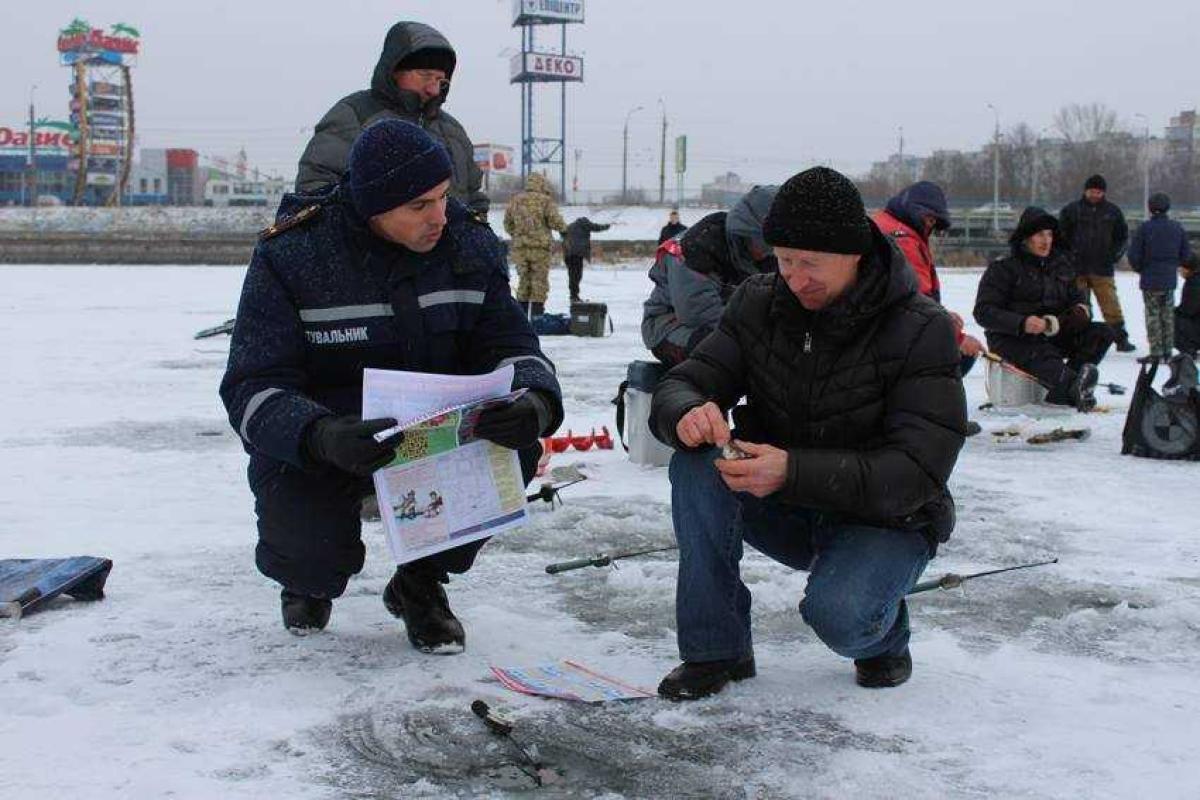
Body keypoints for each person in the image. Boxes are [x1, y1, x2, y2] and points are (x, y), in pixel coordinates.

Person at [220, 120, 563, 651]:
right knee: (310, 554)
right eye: (419, 206)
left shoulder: (468, 247)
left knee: (513, 449)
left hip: (433, 439)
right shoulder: (294, 256)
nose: (440, 217)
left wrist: (535, 403)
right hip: (329, 443)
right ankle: (305, 580)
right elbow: (252, 384)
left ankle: (420, 583)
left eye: (444, 198)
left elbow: (514, 346)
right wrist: (319, 434)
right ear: (374, 205)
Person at [649, 167, 966, 699]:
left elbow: (918, 469)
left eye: (811, 264)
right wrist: (687, 410)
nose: (795, 279)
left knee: (841, 617)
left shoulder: (922, 328)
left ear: (855, 253)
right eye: (785, 260)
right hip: (786, 504)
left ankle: (886, 635)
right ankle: (716, 650)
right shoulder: (758, 302)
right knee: (696, 465)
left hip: (886, 517)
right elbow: (687, 379)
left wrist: (791, 470)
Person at [295, 21, 488, 216]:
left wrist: (475, 237)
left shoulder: (453, 132)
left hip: (447, 246)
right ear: (395, 70)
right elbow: (314, 188)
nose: (434, 89)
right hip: (368, 246)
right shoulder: (354, 115)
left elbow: (474, 199)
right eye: (425, 75)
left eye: (440, 80)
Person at [974, 207, 1114, 411]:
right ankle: (1071, 385)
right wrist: (1022, 323)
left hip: (1052, 334)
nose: (1046, 240)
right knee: (1045, 355)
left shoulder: (1063, 267)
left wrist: (1081, 312)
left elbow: (1082, 301)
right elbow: (983, 312)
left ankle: (1070, 385)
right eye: (1040, 234)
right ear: (1026, 238)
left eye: (1049, 234)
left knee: (1102, 333)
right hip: (1013, 339)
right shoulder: (1003, 269)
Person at [641, 186, 778, 366]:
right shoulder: (695, 250)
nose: (768, 253)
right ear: (746, 232)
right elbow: (698, 314)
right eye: (764, 244)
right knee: (724, 350)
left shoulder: (768, 257)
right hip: (671, 326)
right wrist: (758, 336)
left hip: (730, 325)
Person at [872, 181, 985, 376]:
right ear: (916, 211)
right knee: (955, 361)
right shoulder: (903, 240)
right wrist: (957, 338)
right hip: (891, 337)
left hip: (876, 329)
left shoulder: (883, 224)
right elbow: (916, 302)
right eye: (930, 220)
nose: (930, 227)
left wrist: (943, 315)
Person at [1059, 174, 1134, 351]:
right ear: (1085, 191)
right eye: (1092, 191)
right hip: (1076, 268)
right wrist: (1066, 258)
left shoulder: (1113, 212)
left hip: (1102, 268)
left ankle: (1120, 339)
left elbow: (1122, 237)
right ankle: (1081, 339)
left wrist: (1113, 255)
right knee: (1080, 306)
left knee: (1111, 305)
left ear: (1103, 193)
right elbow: (1061, 236)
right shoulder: (1071, 210)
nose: (1095, 194)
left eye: (1098, 192)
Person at [1128, 192, 1191, 361]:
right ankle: (1168, 351)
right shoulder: (1177, 228)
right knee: (1168, 315)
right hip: (1169, 279)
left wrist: (1141, 268)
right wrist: (1173, 265)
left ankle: (1156, 352)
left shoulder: (1144, 228)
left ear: (1150, 208)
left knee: (1153, 315)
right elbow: (1186, 255)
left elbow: (1133, 254)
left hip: (1149, 279)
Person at [503, 173, 567, 316]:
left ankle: (522, 318)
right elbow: (555, 222)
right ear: (541, 184)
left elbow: (507, 223)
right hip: (540, 249)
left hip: (520, 249)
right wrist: (565, 230)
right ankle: (537, 318)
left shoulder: (515, 201)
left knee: (523, 281)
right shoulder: (545, 201)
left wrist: (518, 235)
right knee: (539, 282)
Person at [562, 216, 611, 303]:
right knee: (576, 275)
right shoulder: (585, 224)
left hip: (568, 254)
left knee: (572, 275)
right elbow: (596, 227)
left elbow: (562, 232)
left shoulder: (570, 226)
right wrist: (607, 226)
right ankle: (574, 296)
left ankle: (573, 295)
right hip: (577, 254)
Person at [1175, 254, 1200, 356]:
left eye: (1181, 268)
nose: (1179, 271)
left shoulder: (1194, 283)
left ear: (1188, 269)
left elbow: (1188, 310)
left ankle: (1189, 348)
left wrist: (1172, 311)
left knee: (1168, 319)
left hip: (1196, 328)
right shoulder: (1195, 280)